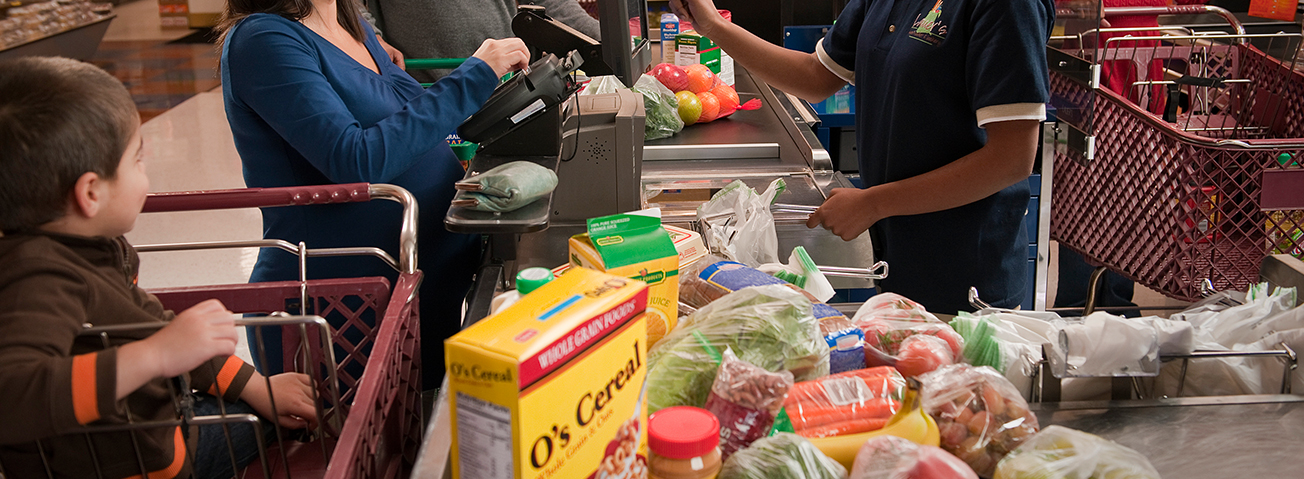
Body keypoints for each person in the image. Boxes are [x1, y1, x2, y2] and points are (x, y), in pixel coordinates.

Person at [0, 56, 318, 479]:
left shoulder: (91, 248)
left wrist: (256, 386)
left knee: (265, 405)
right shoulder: (39, 278)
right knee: (289, 426)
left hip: (151, 426)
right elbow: (12, 397)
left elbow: (154, 328)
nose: (145, 176)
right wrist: (155, 356)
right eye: (136, 160)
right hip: (139, 461)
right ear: (90, 193)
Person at [217, 0, 529, 388]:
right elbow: (354, 161)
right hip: (343, 308)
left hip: (420, 285)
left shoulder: (353, 28)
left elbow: (408, 120)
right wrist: (473, 75)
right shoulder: (263, 39)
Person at [671, 0, 1052, 315]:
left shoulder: (1008, 7)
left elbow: (1012, 157)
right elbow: (816, 77)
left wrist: (873, 203)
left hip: (965, 281)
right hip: (898, 264)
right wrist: (713, 26)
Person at [370, 0, 600, 82]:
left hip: (507, 86)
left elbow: (553, 4)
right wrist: (370, 35)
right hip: (430, 92)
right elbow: (346, 8)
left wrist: (611, 42)